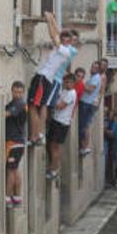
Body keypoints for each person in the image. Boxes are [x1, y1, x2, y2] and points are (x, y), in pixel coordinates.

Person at [27, 12, 71, 146]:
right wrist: (52, 20)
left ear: (68, 41)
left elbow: (54, 35)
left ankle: (35, 135)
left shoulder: (64, 50)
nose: (62, 38)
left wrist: (48, 20)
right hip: (47, 79)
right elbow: (58, 33)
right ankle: (39, 134)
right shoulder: (64, 49)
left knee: (33, 106)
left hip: (43, 77)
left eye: (65, 38)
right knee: (42, 105)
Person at [45, 74, 77, 180]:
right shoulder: (64, 91)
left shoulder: (71, 93)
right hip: (56, 120)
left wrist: (49, 102)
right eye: (66, 81)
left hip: (61, 122)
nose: (67, 84)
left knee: (55, 147)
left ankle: (53, 169)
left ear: (73, 83)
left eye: (69, 82)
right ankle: (53, 167)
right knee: (52, 145)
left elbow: (60, 106)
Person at [5, 81, 29, 207]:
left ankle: (8, 198)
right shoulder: (15, 103)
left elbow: (6, 114)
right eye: (15, 92)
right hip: (18, 142)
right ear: (12, 91)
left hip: (14, 142)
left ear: (23, 92)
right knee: (15, 169)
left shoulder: (19, 104)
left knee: (11, 171)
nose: (18, 94)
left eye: (20, 92)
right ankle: (17, 197)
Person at [78, 61, 102, 155]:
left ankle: (84, 146)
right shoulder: (94, 78)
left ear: (98, 70)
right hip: (88, 103)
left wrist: (81, 84)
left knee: (85, 126)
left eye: (95, 68)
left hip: (87, 103)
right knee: (85, 125)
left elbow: (90, 90)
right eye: (92, 67)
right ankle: (85, 146)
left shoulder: (96, 78)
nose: (92, 69)